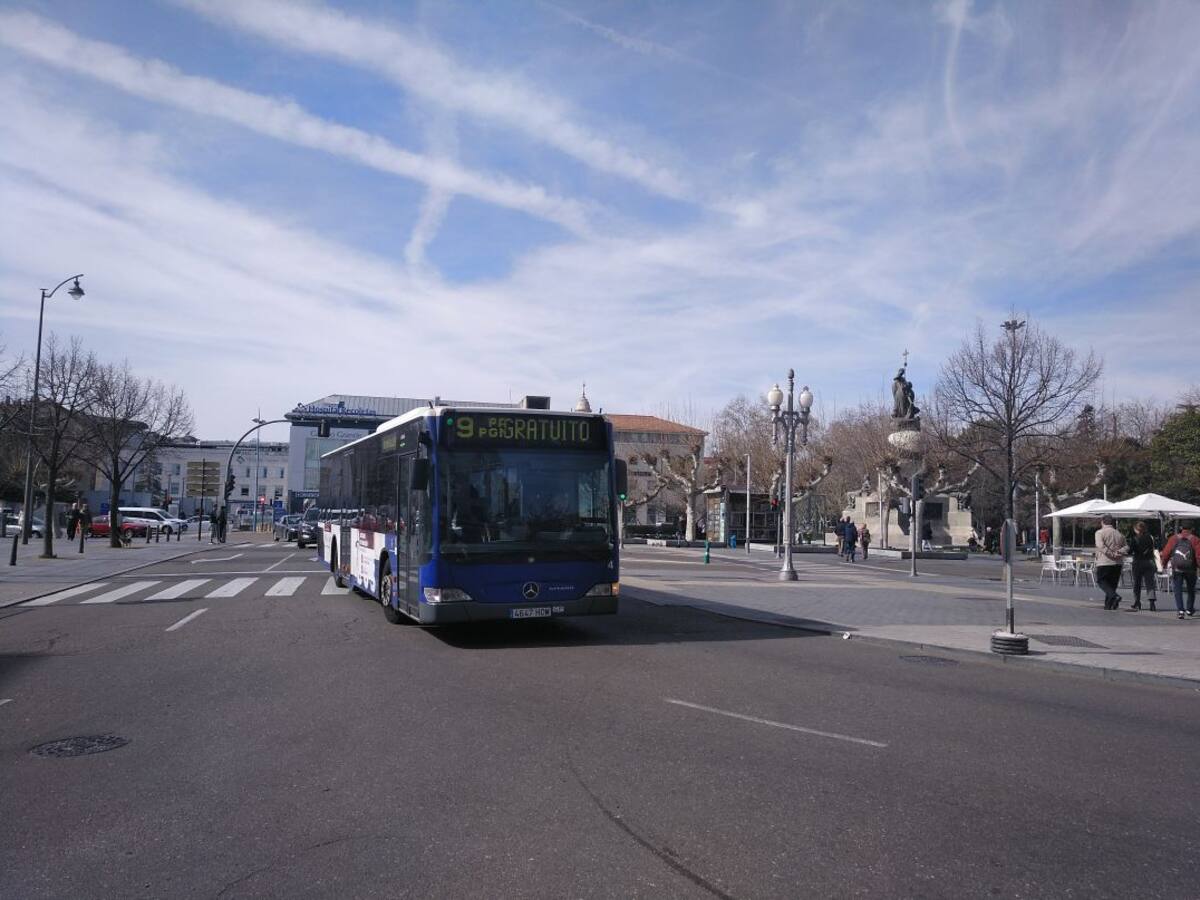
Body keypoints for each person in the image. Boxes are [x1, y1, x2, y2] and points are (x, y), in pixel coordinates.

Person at [1160, 523, 1200, 620]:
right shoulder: (1195, 539)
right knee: (1191, 589)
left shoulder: (1174, 538)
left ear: (1181, 528)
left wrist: (1163, 565)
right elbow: (1198, 555)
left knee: (1178, 590)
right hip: (1191, 569)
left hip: (1177, 568)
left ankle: (1180, 611)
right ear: (1192, 529)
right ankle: (1189, 609)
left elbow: (1166, 553)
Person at [1094, 514, 1128, 610]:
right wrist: (1119, 552)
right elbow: (1126, 546)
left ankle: (1114, 596)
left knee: (1101, 581)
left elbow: (1100, 546)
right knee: (1112, 584)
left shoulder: (1099, 533)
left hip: (1104, 561)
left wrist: (1111, 554)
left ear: (1102, 522)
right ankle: (1109, 604)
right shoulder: (1119, 534)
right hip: (1117, 563)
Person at [1126, 521, 1158, 611]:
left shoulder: (1134, 539)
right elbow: (1154, 548)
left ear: (1136, 529)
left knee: (1137, 583)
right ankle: (1152, 603)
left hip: (1138, 562)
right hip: (1149, 562)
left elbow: (1130, 551)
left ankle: (1137, 602)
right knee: (1150, 583)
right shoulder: (1150, 538)